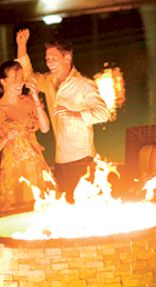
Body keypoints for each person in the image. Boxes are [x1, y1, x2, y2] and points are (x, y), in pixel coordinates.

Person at [16, 28, 110, 202]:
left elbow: (104, 113)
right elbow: (27, 75)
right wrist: (21, 45)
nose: (49, 63)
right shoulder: (49, 81)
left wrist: (73, 114)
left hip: (82, 159)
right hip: (60, 161)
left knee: (84, 208)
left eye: (54, 58)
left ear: (67, 58)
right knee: (65, 210)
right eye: (47, 59)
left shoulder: (83, 84)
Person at [0, 60, 53, 213]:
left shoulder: (29, 101)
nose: (19, 82)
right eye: (14, 79)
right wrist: (6, 138)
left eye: (21, 78)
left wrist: (36, 98)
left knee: (38, 208)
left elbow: (45, 128)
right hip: (11, 171)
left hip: (35, 166)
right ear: (3, 81)